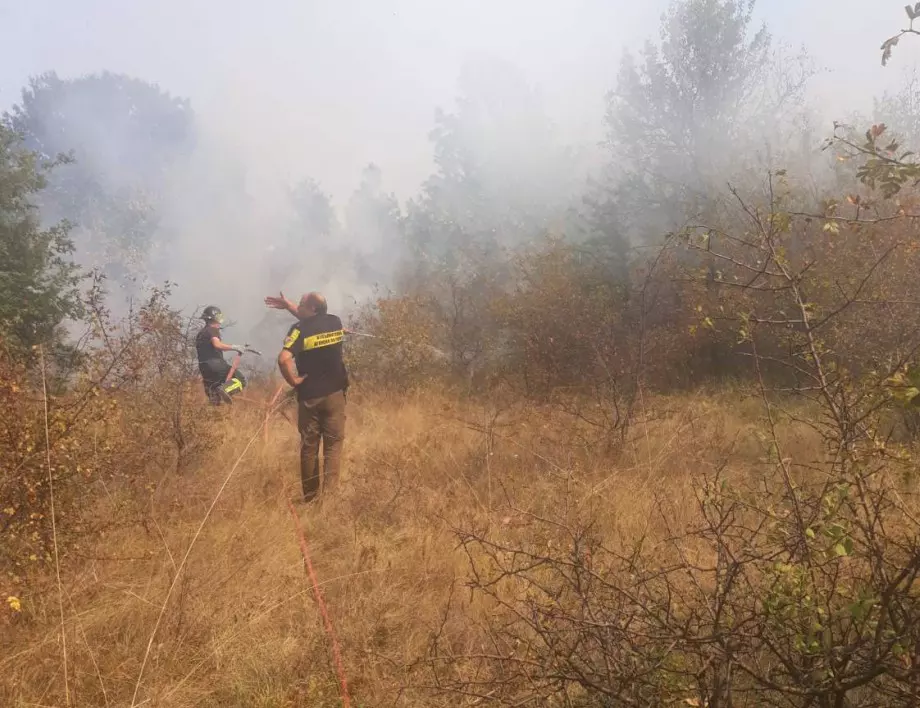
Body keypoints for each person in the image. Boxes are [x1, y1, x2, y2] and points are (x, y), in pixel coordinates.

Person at [268, 292, 348, 503]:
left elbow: (284, 359)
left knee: (309, 447)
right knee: (333, 446)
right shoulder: (334, 322)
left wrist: (293, 381)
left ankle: (311, 499)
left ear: (312, 308)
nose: (298, 306)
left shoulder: (299, 330)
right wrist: (288, 306)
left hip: (309, 398)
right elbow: (310, 319)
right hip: (335, 395)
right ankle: (330, 500)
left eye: (301, 304)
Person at [196, 305, 248, 405]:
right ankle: (225, 390)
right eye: (218, 318)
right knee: (240, 380)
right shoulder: (212, 330)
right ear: (213, 319)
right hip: (215, 364)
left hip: (203, 367)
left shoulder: (201, 333)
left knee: (213, 395)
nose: (220, 321)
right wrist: (235, 347)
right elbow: (217, 344)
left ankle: (210, 416)